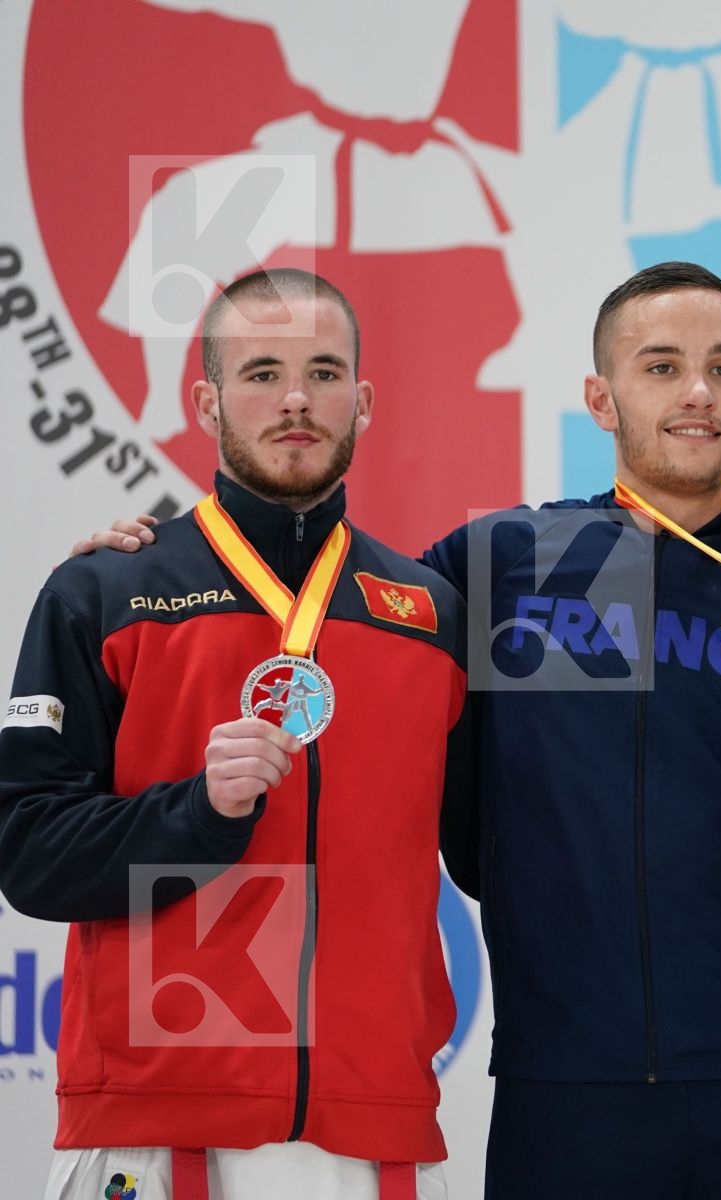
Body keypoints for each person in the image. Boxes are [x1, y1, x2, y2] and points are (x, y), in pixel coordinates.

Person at [79, 262, 721, 1197]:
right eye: (661, 366)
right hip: (562, 1088)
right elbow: (320, 613)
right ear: (601, 399)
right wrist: (141, 564)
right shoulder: (501, 562)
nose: (698, 392)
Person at [0, 268, 468, 1199]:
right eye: (262, 373)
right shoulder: (105, 591)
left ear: (363, 402)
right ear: (206, 402)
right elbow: (28, 853)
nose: (296, 400)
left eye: (323, 373)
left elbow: (502, 844)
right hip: (155, 1124)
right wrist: (198, 815)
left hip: (374, 1128)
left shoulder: (429, 615)